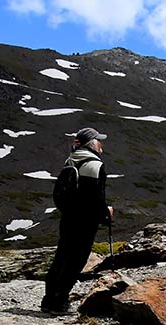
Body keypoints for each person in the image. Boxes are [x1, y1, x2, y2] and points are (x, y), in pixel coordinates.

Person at [40, 127, 114, 314]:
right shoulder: (94, 165)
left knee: (62, 256)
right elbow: (94, 197)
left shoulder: (72, 159)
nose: (101, 145)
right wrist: (106, 212)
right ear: (93, 143)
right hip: (85, 221)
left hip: (68, 217)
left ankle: (48, 300)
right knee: (76, 260)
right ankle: (60, 302)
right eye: (99, 141)